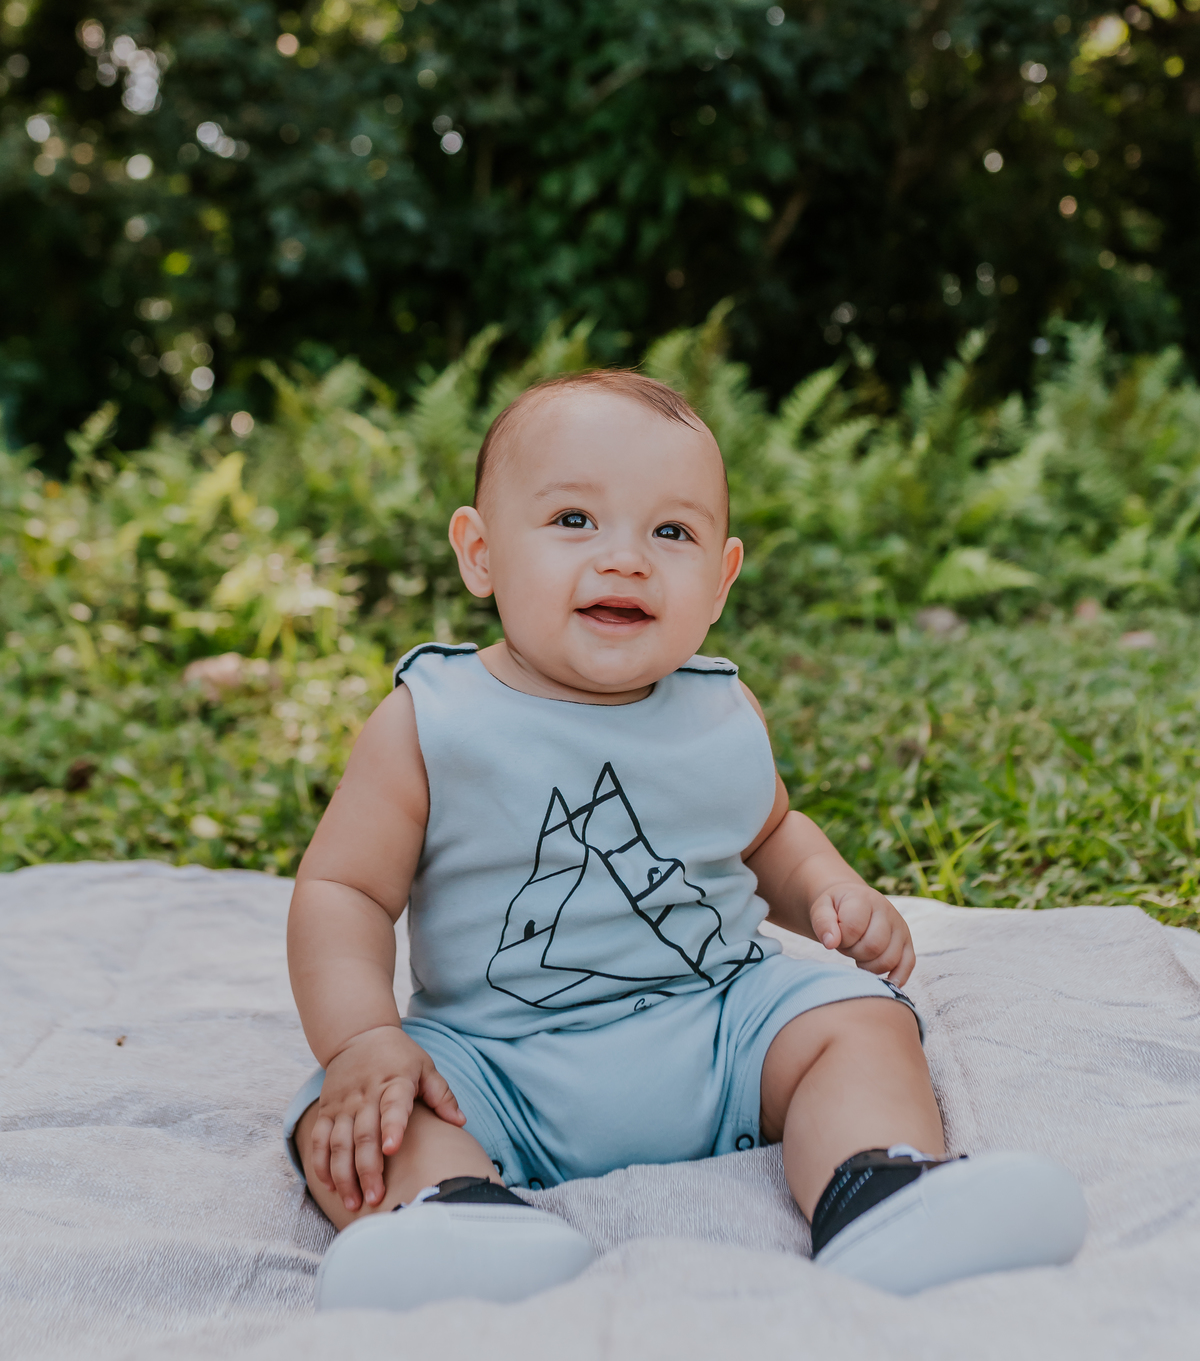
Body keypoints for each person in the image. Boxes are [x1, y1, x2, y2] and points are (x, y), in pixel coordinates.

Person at [284, 371, 1085, 1309]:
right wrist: (364, 1038)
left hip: (719, 1026)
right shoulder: (432, 719)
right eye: (575, 520)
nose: (626, 559)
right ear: (481, 552)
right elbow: (345, 892)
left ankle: (879, 1190)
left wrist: (828, 885)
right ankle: (453, 1217)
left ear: (721, 579)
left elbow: (770, 830)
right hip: (498, 1059)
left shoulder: (721, 708)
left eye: (672, 533)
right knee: (360, 1112)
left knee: (857, 1020)